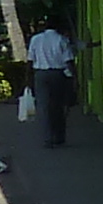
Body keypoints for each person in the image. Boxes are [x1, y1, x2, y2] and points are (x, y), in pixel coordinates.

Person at [24, 16, 76, 145]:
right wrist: (75, 77)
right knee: (58, 106)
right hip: (58, 74)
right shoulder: (61, 39)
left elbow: (30, 61)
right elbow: (68, 60)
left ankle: (48, 137)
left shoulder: (36, 39)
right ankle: (59, 136)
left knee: (44, 107)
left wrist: (27, 79)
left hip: (40, 74)